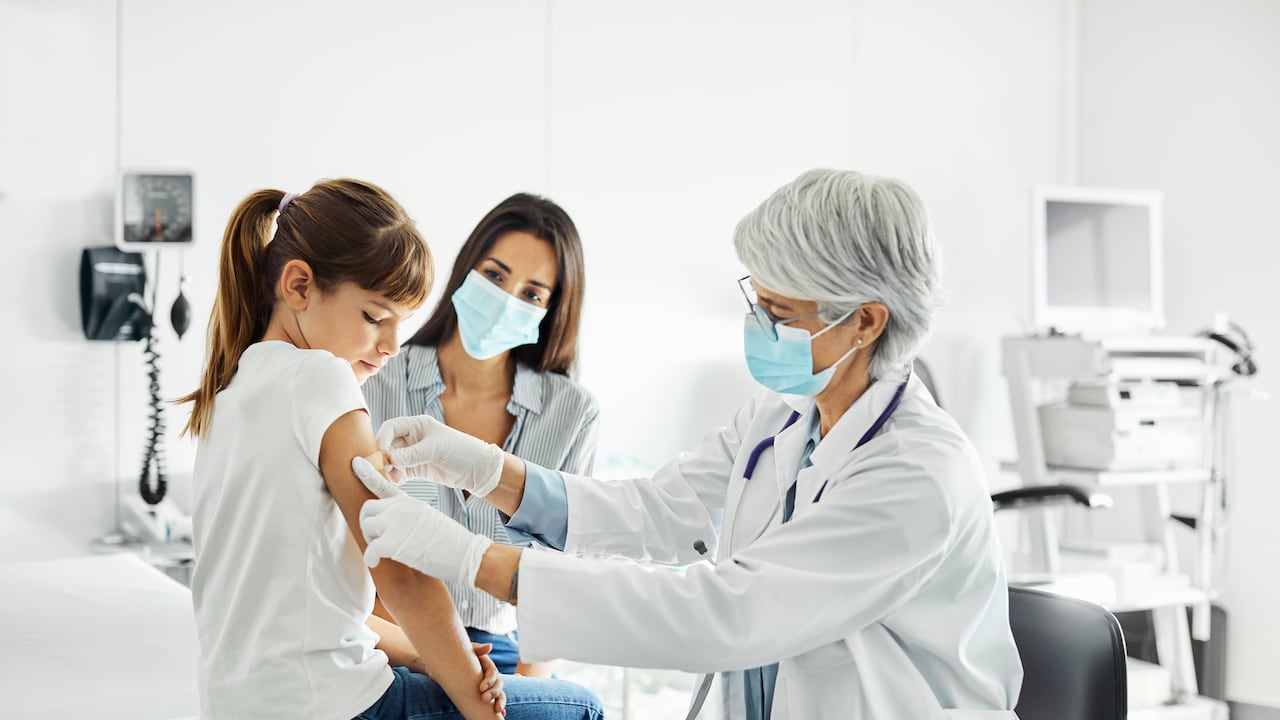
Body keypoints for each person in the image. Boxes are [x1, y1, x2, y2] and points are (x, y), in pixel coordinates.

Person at [353, 169, 1024, 719]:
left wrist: (470, 556)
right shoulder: (781, 418)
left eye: (779, 314)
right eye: (755, 301)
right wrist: (486, 469)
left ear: (866, 322)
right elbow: (657, 511)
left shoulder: (917, 475)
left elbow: (723, 612)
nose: (756, 324)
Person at [179, 179, 603, 720]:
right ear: (299, 286)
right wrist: (476, 700)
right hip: (333, 701)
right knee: (580, 707)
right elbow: (399, 566)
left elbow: (310, 606)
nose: (390, 345)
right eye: (376, 318)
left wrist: (424, 657)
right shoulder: (324, 378)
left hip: (243, 703)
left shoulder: (230, 391)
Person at [362, 192, 596, 677]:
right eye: (494, 276)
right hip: (386, 644)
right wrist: (426, 658)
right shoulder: (377, 378)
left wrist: (525, 697)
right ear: (467, 271)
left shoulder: (572, 413)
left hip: (502, 656)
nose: (506, 300)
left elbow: (562, 579)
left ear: (551, 310)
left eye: (532, 293)